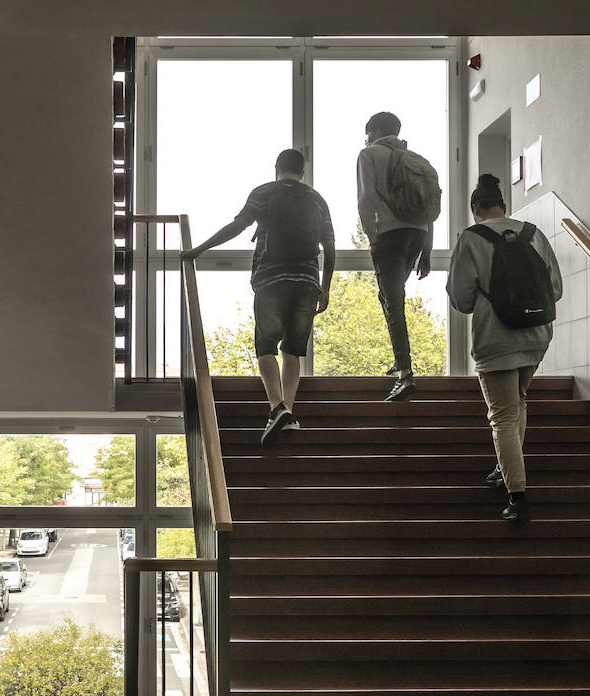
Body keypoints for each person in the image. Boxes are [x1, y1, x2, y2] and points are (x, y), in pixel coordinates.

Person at [182, 148, 336, 445]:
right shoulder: (317, 200)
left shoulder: (264, 192)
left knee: (266, 346)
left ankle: (276, 407)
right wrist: (325, 287)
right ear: (303, 172)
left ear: (276, 168)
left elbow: (237, 227)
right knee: (294, 350)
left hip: (271, 279)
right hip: (306, 282)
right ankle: (288, 413)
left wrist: (198, 250)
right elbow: (329, 247)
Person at [446, 174, 564, 522]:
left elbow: (462, 299)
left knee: (502, 416)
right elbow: (554, 288)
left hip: (496, 339)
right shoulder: (533, 233)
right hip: (536, 336)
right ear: (504, 205)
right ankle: (504, 467)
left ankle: (518, 497)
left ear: (475, 209)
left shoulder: (471, 239)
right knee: (519, 403)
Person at [356, 111, 434, 401]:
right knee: (388, 297)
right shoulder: (417, 160)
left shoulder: (369, 155)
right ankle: (399, 357)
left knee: (393, 301)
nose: (366, 138)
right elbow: (429, 210)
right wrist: (426, 252)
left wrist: (371, 237)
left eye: (367, 132)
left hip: (389, 235)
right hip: (416, 235)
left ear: (374, 131)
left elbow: (365, 198)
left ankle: (404, 373)